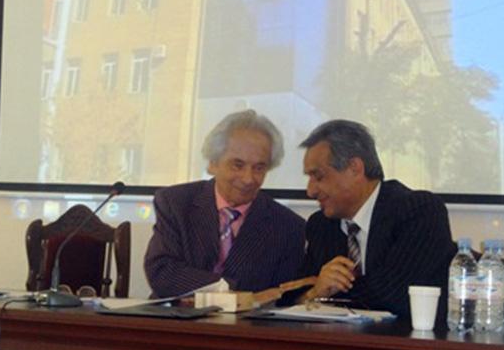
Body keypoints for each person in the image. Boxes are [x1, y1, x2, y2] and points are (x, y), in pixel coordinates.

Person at [298, 119, 456, 318]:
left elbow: (392, 295)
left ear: (355, 168)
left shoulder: (419, 211)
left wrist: (327, 295)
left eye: (318, 177)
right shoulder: (320, 225)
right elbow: (295, 293)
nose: (310, 191)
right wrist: (315, 292)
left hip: (407, 337)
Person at [145, 109, 306, 297]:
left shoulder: (289, 226)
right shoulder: (176, 203)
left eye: (259, 168)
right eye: (238, 165)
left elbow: (283, 295)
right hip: (176, 314)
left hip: (251, 317)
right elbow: (162, 271)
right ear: (213, 163)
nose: (248, 179)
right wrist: (225, 290)